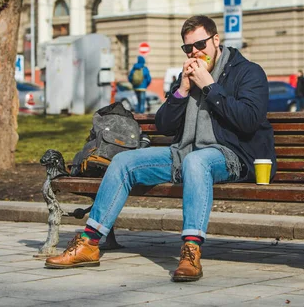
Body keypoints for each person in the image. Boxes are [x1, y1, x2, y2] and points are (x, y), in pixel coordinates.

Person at [44, 15, 276, 282]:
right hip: (183, 153)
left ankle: (191, 251)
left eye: (200, 44)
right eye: (188, 48)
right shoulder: (186, 76)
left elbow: (247, 121)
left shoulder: (248, 72)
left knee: (196, 162)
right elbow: (165, 125)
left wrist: (209, 87)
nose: (195, 52)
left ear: (215, 40)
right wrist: (183, 90)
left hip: (230, 156)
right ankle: (89, 243)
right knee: (124, 163)